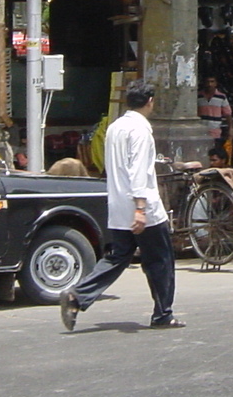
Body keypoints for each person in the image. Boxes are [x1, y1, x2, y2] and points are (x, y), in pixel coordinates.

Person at [59, 81, 183, 331]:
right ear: (150, 101)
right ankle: (162, 314)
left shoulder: (116, 127)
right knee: (160, 260)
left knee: (118, 256)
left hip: (118, 205)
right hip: (142, 208)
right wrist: (140, 209)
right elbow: (137, 171)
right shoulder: (140, 130)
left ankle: (78, 295)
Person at [197, 76, 232, 142]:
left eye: (212, 82)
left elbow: (228, 114)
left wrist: (230, 129)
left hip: (215, 131)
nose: (209, 84)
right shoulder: (198, 96)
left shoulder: (221, 97)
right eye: (207, 82)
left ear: (216, 83)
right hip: (200, 131)